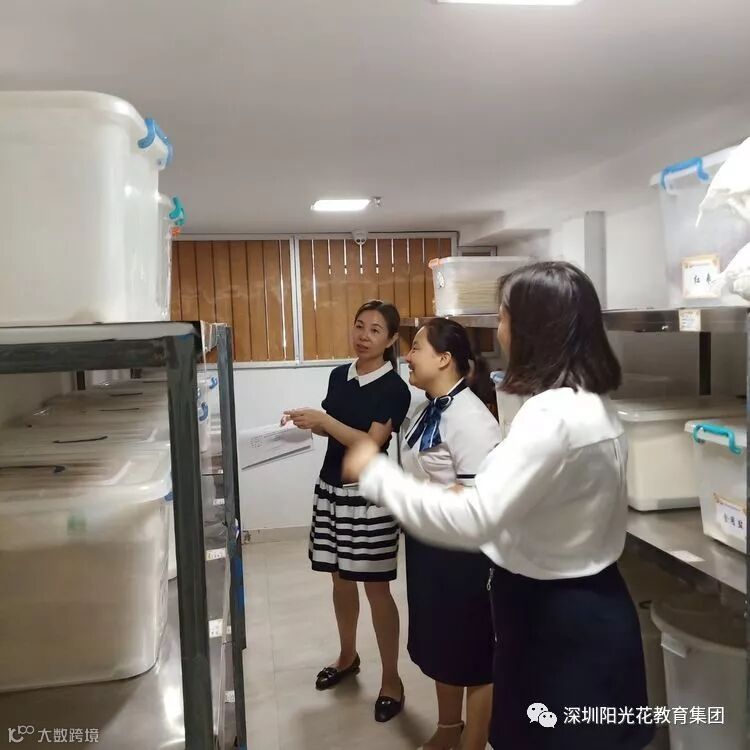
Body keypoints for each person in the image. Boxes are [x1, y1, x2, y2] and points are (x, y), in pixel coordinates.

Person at [343, 262, 654, 750]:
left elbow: (475, 518)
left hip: (559, 621)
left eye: (504, 316)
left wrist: (376, 474)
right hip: (579, 604)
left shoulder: (552, 417)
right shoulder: (588, 401)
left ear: (533, 327)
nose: (500, 328)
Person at [282, 299, 411, 723]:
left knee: (376, 588)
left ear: (391, 339)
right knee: (339, 580)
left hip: (369, 497)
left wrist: (325, 420)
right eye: (359, 326)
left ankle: (391, 679)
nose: (363, 336)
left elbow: (369, 444)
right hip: (331, 489)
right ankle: (347, 656)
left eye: (375, 330)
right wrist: (307, 422)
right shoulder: (340, 375)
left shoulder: (394, 388)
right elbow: (334, 430)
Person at [402, 318, 502, 750]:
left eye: (416, 348)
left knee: (472, 653)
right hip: (431, 547)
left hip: (464, 554)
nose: (408, 356)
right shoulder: (428, 408)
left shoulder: (471, 419)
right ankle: (448, 729)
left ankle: (473, 743)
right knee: (443, 645)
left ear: (444, 359)